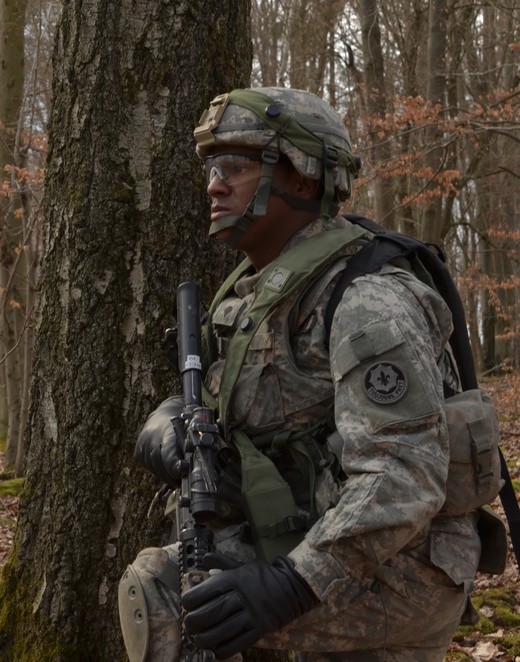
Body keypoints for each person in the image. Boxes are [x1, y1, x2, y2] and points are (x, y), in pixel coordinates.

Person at [117, 87, 495, 662]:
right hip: (312, 540)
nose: (214, 184)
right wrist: (170, 422)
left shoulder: (368, 301)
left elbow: (403, 475)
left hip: (399, 574)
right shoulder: (266, 291)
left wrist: (289, 586)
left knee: (169, 591)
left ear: (301, 177)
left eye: (235, 166)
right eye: (213, 168)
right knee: (184, 577)